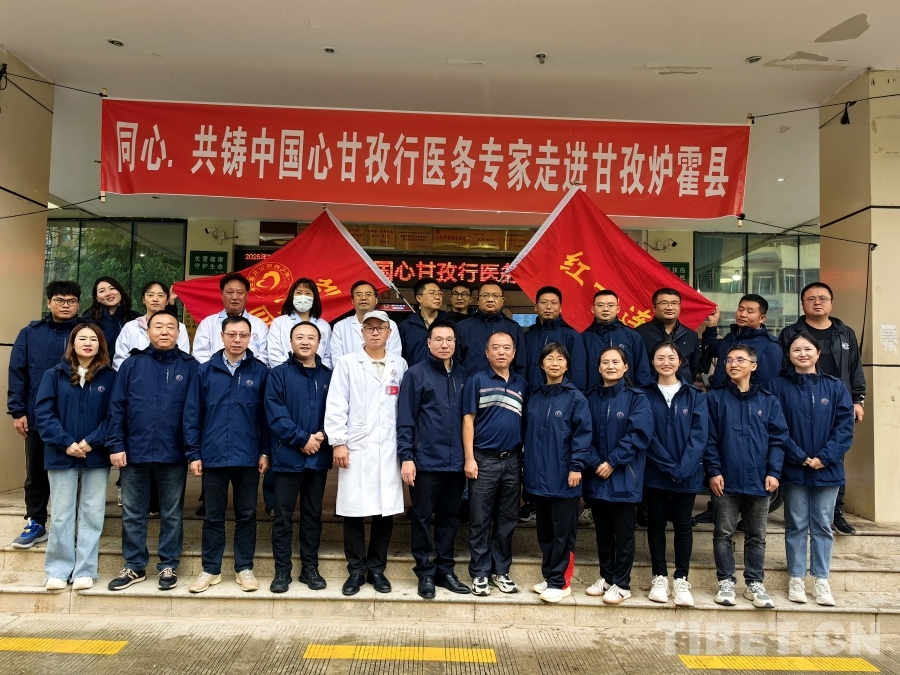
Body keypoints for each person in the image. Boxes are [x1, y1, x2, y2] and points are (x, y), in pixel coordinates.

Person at [105, 311, 198, 592]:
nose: (165, 331)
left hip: (173, 452)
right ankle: (134, 565)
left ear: (179, 333)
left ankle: (168, 564)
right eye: (159, 326)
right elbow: (117, 407)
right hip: (135, 451)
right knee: (133, 512)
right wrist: (116, 444)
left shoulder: (191, 367)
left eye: (171, 327)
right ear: (148, 331)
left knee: (172, 513)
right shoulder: (132, 365)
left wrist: (193, 451)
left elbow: (196, 412)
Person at [183, 316, 270, 594]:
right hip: (213, 454)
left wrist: (265, 451)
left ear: (250, 338)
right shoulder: (205, 371)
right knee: (213, 516)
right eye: (232, 334)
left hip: (248, 455)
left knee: (246, 515)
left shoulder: (260, 372)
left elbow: (266, 417)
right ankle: (211, 569)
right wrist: (194, 453)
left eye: (243, 335)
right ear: (221, 336)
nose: (237, 340)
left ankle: (244, 567)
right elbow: (192, 414)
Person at [324, 310, 408, 596]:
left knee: (385, 512)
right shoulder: (347, 363)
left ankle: (377, 569)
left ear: (389, 332)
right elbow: (337, 404)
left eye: (380, 328)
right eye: (369, 327)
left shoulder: (400, 365)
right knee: (354, 512)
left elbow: (404, 409)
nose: (375, 332)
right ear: (362, 332)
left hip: (390, 448)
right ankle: (356, 570)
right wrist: (338, 441)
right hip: (356, 447)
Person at [769, 333, 854, 607]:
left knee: (823, 525)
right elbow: (776, 426)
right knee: (795, 524)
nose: (802, 353)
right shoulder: (777, 386)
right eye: (796, 349)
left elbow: (844, 428)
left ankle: (821, 580)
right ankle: (796, 577)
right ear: (789, 355)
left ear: (818, 354)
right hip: (794, 468)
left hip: (827, 469)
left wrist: (824, 458)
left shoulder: (835, 387)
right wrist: (800, 456)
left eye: (808, 349)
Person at [705, 344, 789, 609]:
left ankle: (754, 583)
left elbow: (778, 439)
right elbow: (709, 439)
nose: (733, 364)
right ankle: (726, 582)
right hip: (725, 479)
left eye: (740, 360)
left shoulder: (768, 400)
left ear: (753, 366)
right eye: (729, 360)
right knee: (723, 532)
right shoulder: (715, 398)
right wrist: (713, 471)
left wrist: (774, 472)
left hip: (759, 479)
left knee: (756, 535)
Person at [778, 282, 865, 536]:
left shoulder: (845, 333)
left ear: (831, 302)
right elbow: (783, 368)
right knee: (795, 450)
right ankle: (797, 513)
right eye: (811, 298)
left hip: (836, 400)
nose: (817, 302)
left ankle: (835, 511)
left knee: (835, 453)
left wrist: (858, 399)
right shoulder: (790, 332)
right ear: (802, 304)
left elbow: (855, 368)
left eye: (823, 298)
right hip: (799, 398)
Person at [34, 323, 115, 591]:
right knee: (61, 514)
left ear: (100, 345)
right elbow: (43, 413)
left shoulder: (110, 377)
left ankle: (85, 570)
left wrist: (92, 441)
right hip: (61, 454)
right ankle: (58, 570)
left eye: (93, 339)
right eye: (82, 338)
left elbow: (114, 415)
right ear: (73, 343)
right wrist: (66, 442)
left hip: (95, 454)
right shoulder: (54, 374)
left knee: (92, 513)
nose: (88, 343)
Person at [397, 320, 470, 599]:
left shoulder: (463, 375)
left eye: (449, 340)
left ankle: (445, 569)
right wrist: (407, 457)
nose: (444, 344)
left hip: (456, 462)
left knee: (450, 517)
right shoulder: (416, 374)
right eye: (438, 339)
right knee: (421, 516)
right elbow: (406, 419)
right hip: (425, 460)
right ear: (428, 343)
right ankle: (425, 572)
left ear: (455, 343)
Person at [7, 280, 82, 549]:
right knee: (36, 471)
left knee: (76, 472)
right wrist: (18, 410)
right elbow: (18, 373)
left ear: (78, 304)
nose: (65, 305)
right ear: (49, 302)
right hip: (38, 414)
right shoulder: (30, 333)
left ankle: (71, 525)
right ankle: (36, 522)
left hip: (76, 415)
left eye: (71, 301)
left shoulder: (85, 331)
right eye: (60, 300)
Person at [265, 321, 333, 593]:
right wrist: (302, 439)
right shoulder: (278, 375)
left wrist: (322, 435)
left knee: (312, 515)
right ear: (291, 342)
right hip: (287, 457)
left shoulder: (329, 376)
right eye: (300, 337)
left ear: (319, 343)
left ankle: (309, 568)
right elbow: (275, 413)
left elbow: (338, 410)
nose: (305, 342)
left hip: (318, 457)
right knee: (282, 516)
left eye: (311, 338)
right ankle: (282, 571)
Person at [523, 342, 593, 604]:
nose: (554, 363)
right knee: (545, 532)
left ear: (567, 365)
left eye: (560, 359)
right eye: (549, 358)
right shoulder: (535, 396)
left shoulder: (576, 398)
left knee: (564, 533)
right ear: (541, 364)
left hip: (565, 476)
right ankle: (549, 575)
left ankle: (560, 582)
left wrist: (576, 467)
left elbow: (582, 436)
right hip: (538, 476)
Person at [582, 347, 652, 605]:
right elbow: (581, 433)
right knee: (603, 531)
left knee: (623, 534)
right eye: (605, 362)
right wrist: (594, 461)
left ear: (625, 367)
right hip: (596, 474)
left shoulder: (636, 398)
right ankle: (607, 577)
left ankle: (622, 584)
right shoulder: (589, 397)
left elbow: (639, 434)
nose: (610, 366)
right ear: (599, 367)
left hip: (624, 474)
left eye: (615, 362)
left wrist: (612, 461)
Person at [642, 341, 708, 607]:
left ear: (680, 362)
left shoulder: (695, 395)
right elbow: (646, 433)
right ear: (653, 361)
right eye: (660, 357)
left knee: (683, 524)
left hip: (687, 474)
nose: (666, 362)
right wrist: (668, 466)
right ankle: (659, 576)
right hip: (655, 473)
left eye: (671, 357)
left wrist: (683, 468)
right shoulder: (644, 394)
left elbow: (699, 436)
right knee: (656, 524)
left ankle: (681, 579)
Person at [463, 331, 527, 596]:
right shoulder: (476, 380)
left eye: (507, 348)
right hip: (483, 460)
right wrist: (469, 458)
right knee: (479, 519)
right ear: (487, 352)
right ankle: (480, 572)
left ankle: (501, 570)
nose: (501, 352)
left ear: (514, 353)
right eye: (496, 347)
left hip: (512, 461)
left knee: (507, 519)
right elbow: (468, 420)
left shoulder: (522, 383)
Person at [703, 294, 782, 388]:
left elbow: (768, 385)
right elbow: (709, 349)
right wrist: (712, 323)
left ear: (762, 318)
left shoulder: (769, 346)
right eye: (740, 309)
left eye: (750, 311)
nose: (743, 314)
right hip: (717, 395)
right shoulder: (729, 338)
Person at [192, 272, 269, 366]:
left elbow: (264, 357)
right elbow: (200, 355)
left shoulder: (260, 325)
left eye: (240, 293)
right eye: (230, 292)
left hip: (250, 374)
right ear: (222, 294)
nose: (235, 297)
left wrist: (244, 372)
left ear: (247, 295)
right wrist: (220, 371)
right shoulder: (207, 323)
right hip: (215, 374)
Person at [582, 289, 653, 390]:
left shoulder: (633, 336)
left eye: (610, 305)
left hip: (627, 395)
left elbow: (642, 371)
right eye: (600, 305)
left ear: (618, 309)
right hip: (592, 396)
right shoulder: (583, 338)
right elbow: (578, 372)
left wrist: (639, 396)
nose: (605, 309)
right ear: (593, 309)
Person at [114, 281, 189, 370]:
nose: (155, 299)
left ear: (167, 301)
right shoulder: (130, 327)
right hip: (135, 377)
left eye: (160, 295)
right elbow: (120, 358)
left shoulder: (180, 328)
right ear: (143, 300)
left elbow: (182, 358)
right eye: (150, 295)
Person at [523, 286, 587, 392]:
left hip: (561, 398)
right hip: (530, 397)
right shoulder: (528, 336)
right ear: (536, 307)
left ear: (560, 308)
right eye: (544, 302)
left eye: (553, 303)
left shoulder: (572, 336)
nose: (548, 307)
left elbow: (578, 373)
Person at [456, 283, 526, 377]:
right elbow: (456, 363)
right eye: (485, 295)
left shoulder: (514, 328)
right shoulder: (462, 327)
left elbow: (520, 365)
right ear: (478, 300)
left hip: (504, 385)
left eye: (495, 296)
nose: (490, 299)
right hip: (469, 383)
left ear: (502, 300)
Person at [635, 288, 701, 384]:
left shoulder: (691, 336)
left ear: (679, 307)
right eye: (664, 303)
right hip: (649, 390)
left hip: (683, 390)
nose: (670, 307)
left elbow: (693, 368)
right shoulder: (639, 334)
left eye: (674, 303)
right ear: (654, 307)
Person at [266, 277, 333, 368]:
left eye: (308, 293)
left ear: (315, 298)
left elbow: (327, 358)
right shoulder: (279, 323)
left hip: (317, 375)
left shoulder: (324, 326)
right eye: (299, 293)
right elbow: (274, 355)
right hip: (285, 374)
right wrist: (291, 374)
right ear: (292, 297)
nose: (303, 297)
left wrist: (318, 373)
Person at [330, 280, 402, 363]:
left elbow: (395, 357)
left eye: (368, 294)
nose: (363, 298)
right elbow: (337, 361)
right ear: (352, 300)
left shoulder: (390, 324)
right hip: (349, 371)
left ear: (376, 300)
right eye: (359, 295)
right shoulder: (340, 326)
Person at [399, 278, 451, 367]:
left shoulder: (450, 322)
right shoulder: (406, 326)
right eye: (432, 293)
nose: (437, 297)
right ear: (419, 298)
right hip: (415, 374)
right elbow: (401, 357)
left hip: (443, 373)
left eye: (439, 293)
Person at [83, 277, 140, 352]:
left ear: (120, 291)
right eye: (102, 291)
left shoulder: (135, 318)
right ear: (97, 298)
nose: (108, 293)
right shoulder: (88, 320)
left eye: (112, 288)